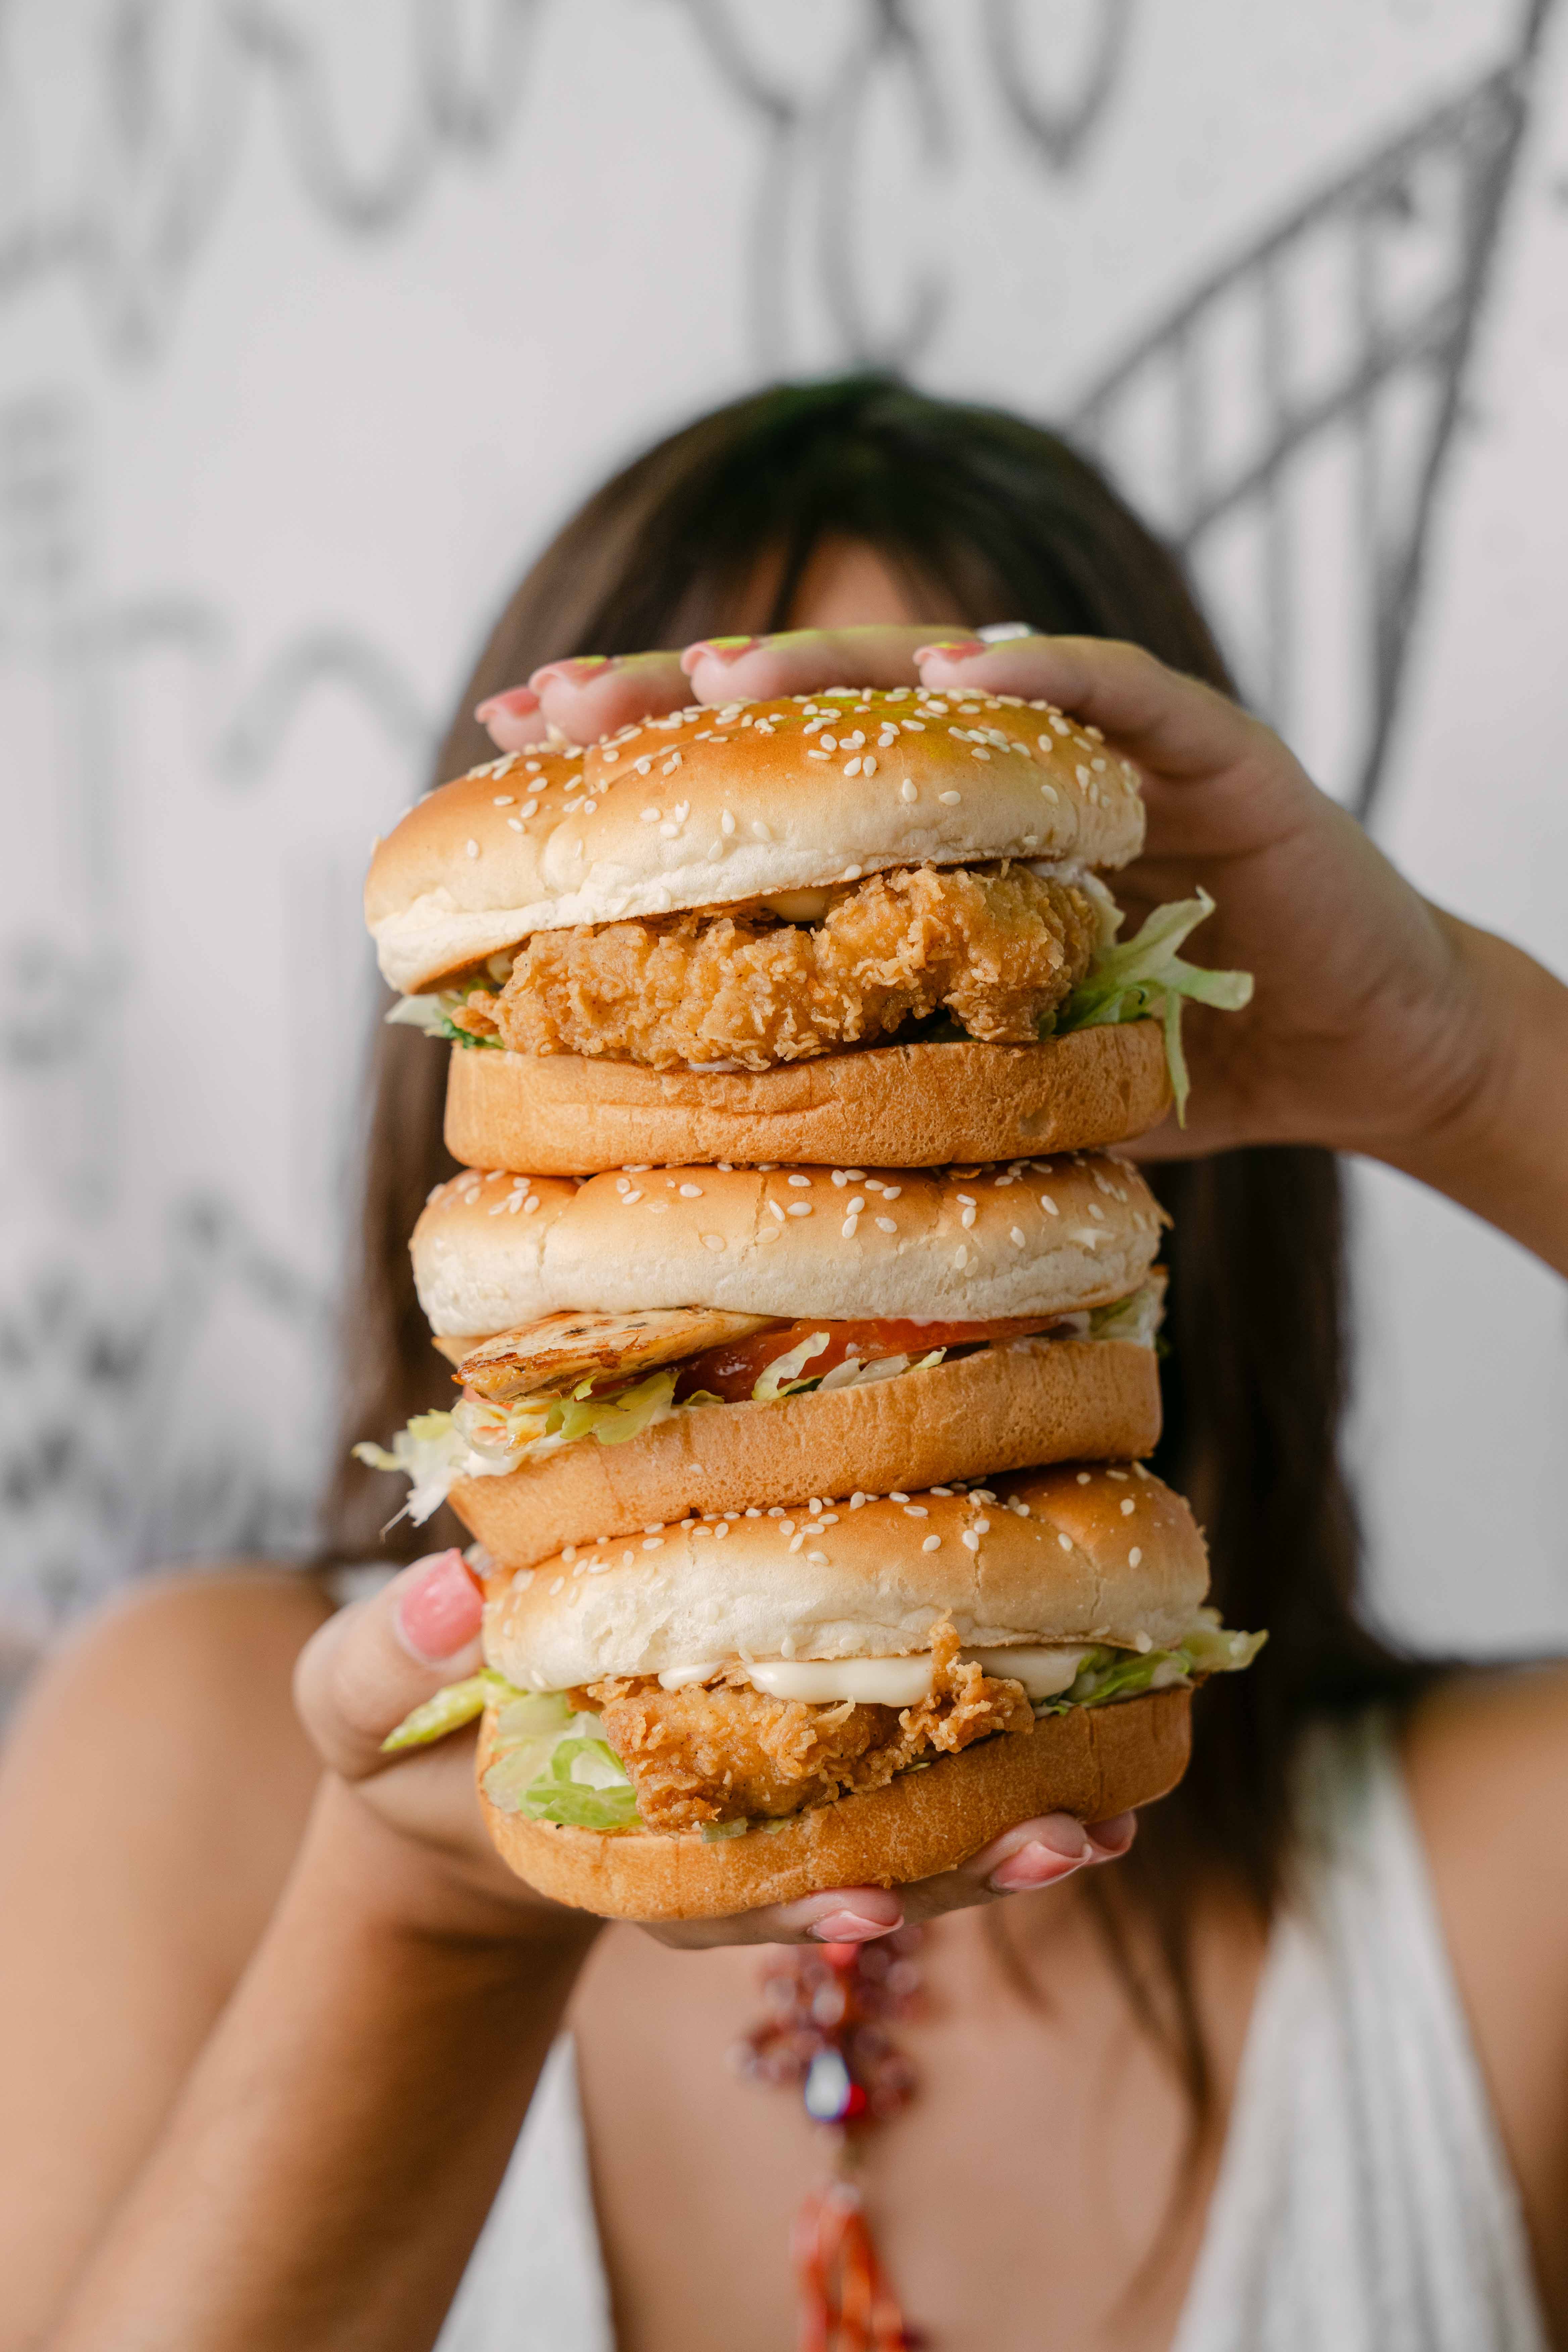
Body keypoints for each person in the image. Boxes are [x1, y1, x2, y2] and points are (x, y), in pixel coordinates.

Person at [2, 378, 1566, 2352]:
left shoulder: (1503, 1873)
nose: (799, 1130)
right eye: (708, 900)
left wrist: (1462, 1056)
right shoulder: (193, 1744)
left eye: (897, 857)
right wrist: (430, 1916)